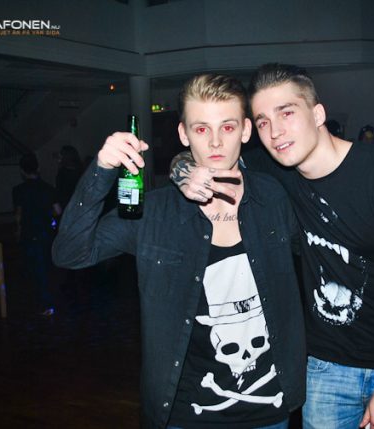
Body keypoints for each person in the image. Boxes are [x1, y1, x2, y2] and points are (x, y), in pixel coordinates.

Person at [171, 64, 374, 429]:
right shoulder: (273, 172)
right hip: (324, 365)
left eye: (287, 113)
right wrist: (184, 171)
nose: (275, 131)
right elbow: (205, 151)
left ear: (318, 114)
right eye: (263, 121)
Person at [53, 74, 306, 429]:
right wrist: (102, 170)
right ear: (184, 135)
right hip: (185, 414)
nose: (215, 141)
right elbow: (70, 253)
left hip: (270, 411)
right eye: (201, 129)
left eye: (228, 127)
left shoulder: (273, 197)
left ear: (246, 131)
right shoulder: (155, 213)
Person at [12, 153, 61, 316]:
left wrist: (17, 231)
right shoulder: (48, 188)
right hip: (46, 231)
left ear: (22, 171)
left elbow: (18, 215)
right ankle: (48, 301)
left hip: (29, 232)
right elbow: (58, 210)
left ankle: (42, 302)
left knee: (33, 268)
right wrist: (47, 215)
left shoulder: (19, 190)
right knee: (46, 267)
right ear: (38, 168)